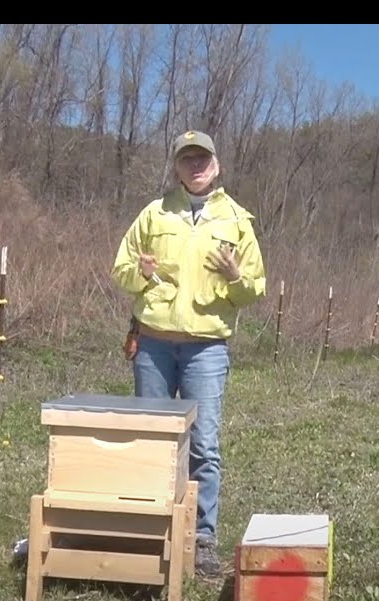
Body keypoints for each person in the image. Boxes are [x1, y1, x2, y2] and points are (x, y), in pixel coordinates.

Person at [110, 130, 267, 577]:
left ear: (216, 164)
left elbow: (255, 289)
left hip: (207, 349)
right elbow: (120, 269)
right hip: (154, 344)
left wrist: (237, 276)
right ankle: (150, 531)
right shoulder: (154, 213)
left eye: (203, 158)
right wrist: (140, 276)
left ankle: (201, 540)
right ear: (177, 166)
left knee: (203, 446)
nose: (195, 165)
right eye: (186, 159)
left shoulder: (238, 220)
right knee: (153, 440)